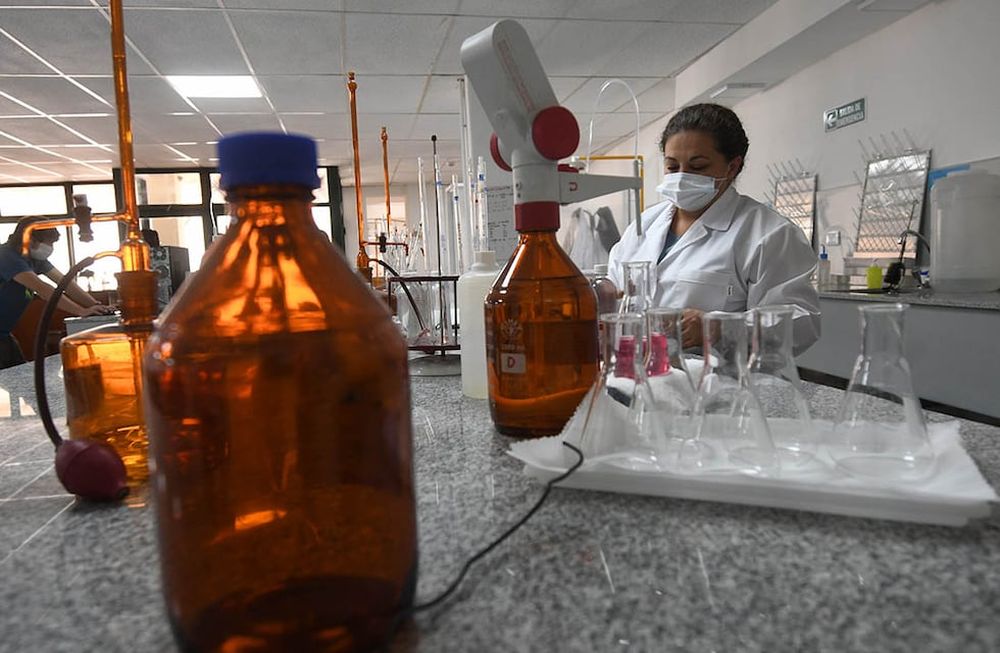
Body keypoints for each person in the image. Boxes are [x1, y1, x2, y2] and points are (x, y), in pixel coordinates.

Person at [608, 103, 820, 355]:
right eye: (672, 167)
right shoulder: (643, 226)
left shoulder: (768, 234)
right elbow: (613, 289)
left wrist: (719, 327)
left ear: (732, 167)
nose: (682, 177)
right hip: (643, 375)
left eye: (698, 167)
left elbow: (801, 323)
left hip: (723, 385)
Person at [0, 222, 112, 368]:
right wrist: (81, 311)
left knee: (18, 376)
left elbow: (66, 283)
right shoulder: (6, 256)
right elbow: (42, 288)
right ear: (31, 240)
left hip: (4, 334)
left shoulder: (33, 259)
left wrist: (96, 306)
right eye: (49, 243)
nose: (50, 248)